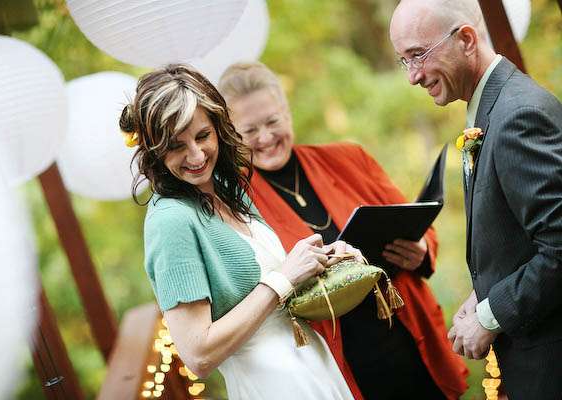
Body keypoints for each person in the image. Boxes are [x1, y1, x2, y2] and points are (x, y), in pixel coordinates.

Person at [218, 62, 468, 400]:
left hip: (406, 336)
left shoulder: (349, 159)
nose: (265, 137)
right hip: (338, 359)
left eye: (273, 121)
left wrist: (422, 249)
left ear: (287, 113)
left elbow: (417, 223)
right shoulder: (235, 206)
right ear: (232, 136)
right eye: (249, 130)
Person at [121, 64, 360, 399]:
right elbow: (198, 354)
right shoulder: (170, 221)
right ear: (154, 150)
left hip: (315, 370)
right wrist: (283, 278)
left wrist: (325, 261)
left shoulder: (227, 188)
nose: (196, 155)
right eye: (176, 146)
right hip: (271, 387)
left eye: (202, 136)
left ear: (218, 128)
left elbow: (274, 292)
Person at [390, 0, 562, 397]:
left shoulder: (518, 116)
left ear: (467, 39)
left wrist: (491, 314)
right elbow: (521, 236)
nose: (413, 76)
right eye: (404, 60)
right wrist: (483, 292)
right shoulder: (491, 107)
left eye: (419, 55)